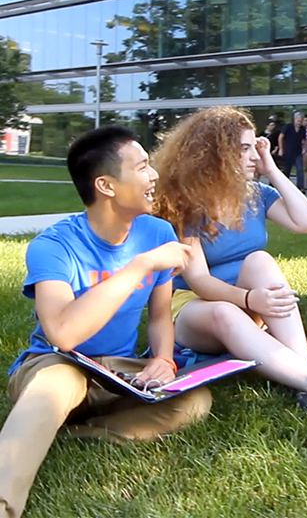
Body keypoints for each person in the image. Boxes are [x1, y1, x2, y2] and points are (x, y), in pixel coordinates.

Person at [0, 126, 212, 518]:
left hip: (116, 374)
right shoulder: (53, 245)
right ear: (106, 185)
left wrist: (162, 360)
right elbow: (62, 334)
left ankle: (72, 434)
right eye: (143, 166)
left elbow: (161, 317)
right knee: (58, 383)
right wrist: (139, 266)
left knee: (195, 400)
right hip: (56, 365)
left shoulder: (157, 231)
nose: (154, 177)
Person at [151, 106, 307, 418]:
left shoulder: (254, 194)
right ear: (216, 155)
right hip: (197, 308)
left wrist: (273, 170)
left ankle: (304, 378)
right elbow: (199, 281)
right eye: (244, 149)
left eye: (253, 148)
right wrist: (249, 298)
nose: (254, 155)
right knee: (223, 311)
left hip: (250, 302)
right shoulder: (186, 205)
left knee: (260, 259)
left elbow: (306, 223)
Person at [277, 111, 305, 190]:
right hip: (287, 151)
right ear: (294, 119)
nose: (299, 123)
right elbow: (280, 137)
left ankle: (300, 187)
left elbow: (303, 139)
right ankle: (284, 186)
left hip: (297, 151)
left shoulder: (303, 129)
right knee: (286, 170)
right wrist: (281, 149)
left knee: (300, 169)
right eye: (298, 121)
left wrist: (304, 147)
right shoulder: (288, 127)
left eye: (301, 121)